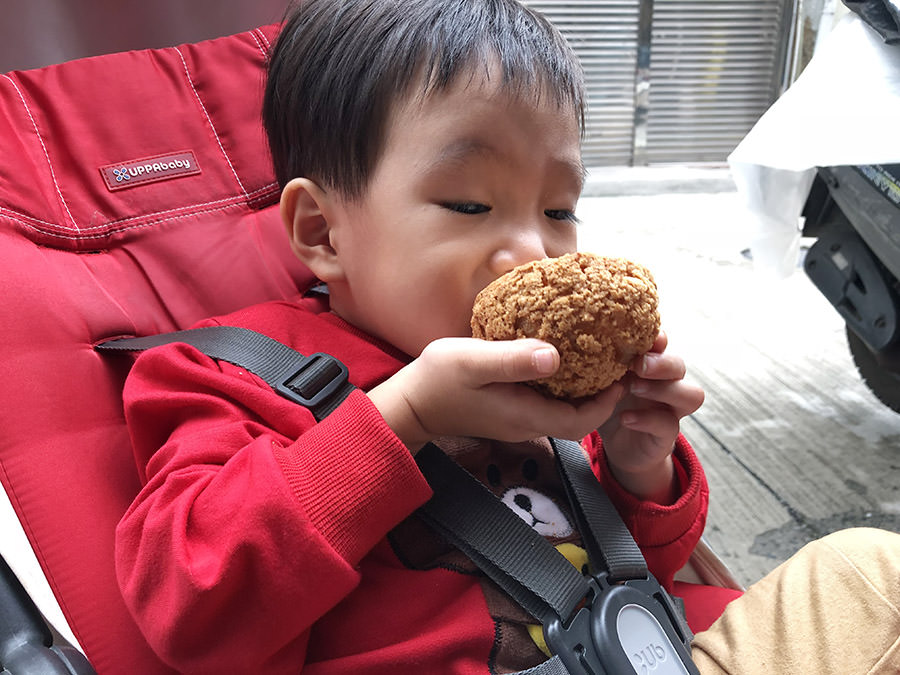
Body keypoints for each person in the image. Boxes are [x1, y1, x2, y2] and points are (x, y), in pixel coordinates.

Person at [113, 0, 900, 673]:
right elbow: (191, 604)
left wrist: (639, 468)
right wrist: (405, 416)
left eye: (559, 210)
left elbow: (641, 566)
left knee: (872, 571)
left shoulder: (547, 391)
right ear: (322, 229)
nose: (534, 250)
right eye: (467, 204)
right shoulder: (226, 378)